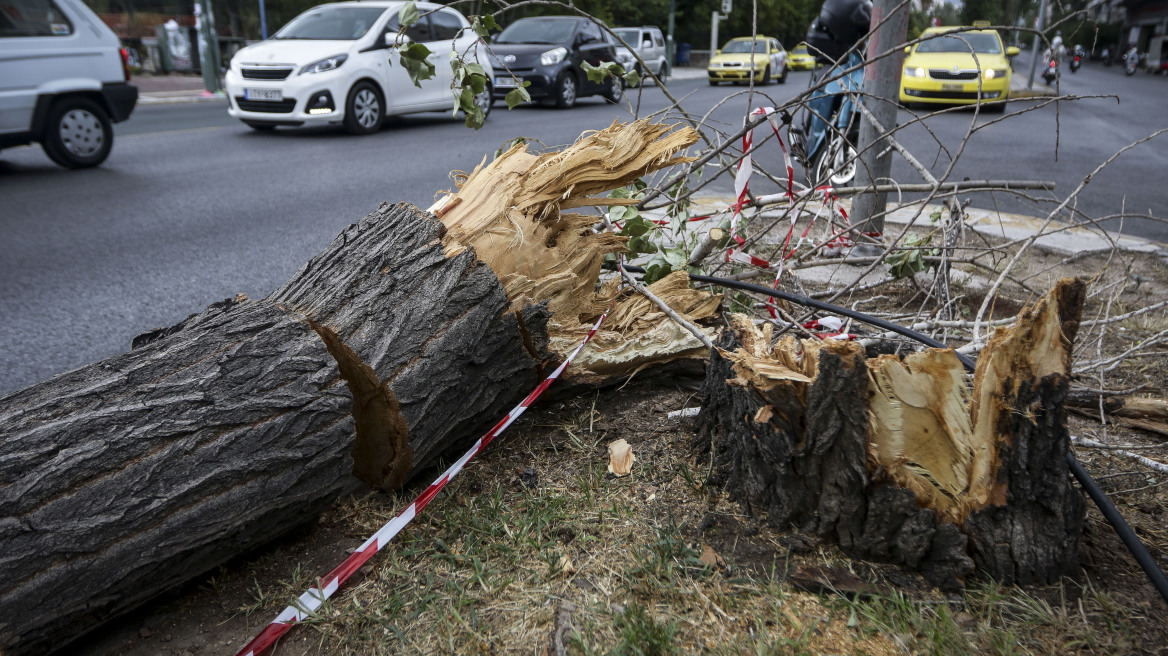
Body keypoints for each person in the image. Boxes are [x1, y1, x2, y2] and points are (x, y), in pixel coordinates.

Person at [793, 0, 872, 169]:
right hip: (842, 62)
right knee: (823, 90)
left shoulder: (866, 11)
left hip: (856, 64)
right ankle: (811, 143)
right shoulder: (847, 11)